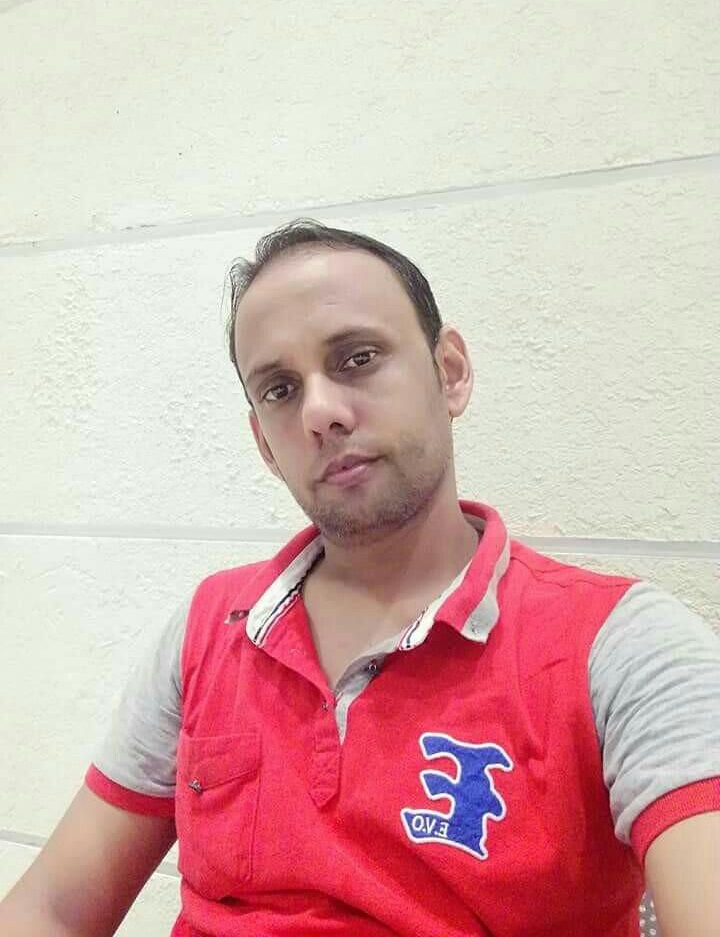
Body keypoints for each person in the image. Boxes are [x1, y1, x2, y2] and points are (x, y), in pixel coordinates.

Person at [1, 220, 718, 937]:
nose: (319, 413)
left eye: (358, 358)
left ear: (450, 372)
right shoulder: (210, 628)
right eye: (280, 389)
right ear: (264, 445)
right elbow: (54, 908)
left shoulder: (623, 649)